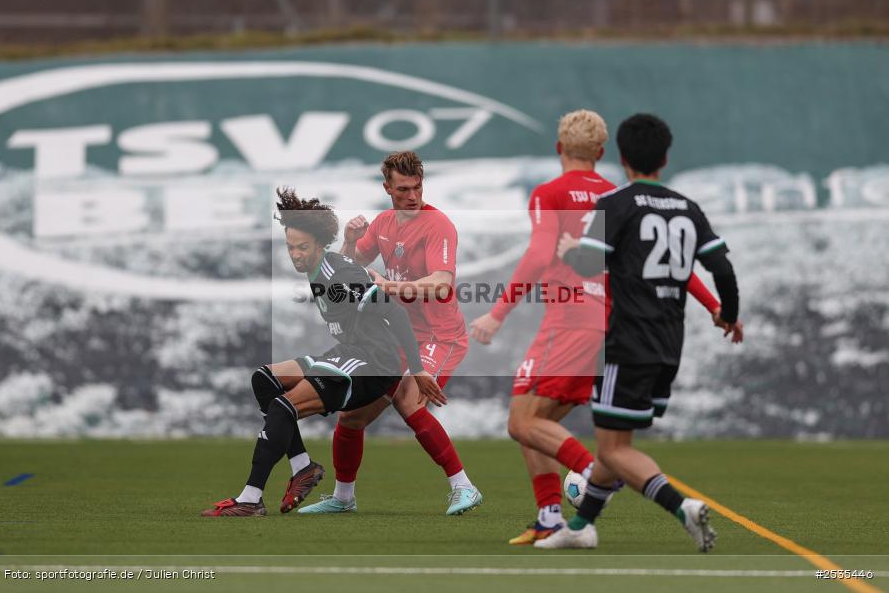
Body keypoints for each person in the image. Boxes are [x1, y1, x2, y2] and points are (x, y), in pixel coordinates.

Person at [469, 110, 733, 545]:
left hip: (569, 319)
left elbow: (538, 256)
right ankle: (551, 516)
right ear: (601, 152)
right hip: (607, 328)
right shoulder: (619, 196)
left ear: (558, 149)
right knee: (536, 421)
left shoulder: (549, 193)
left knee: (521, 422)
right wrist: (714, 305)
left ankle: (596, 477)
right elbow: (675, 268)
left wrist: (497, 313)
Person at [539, 113, 741, 551]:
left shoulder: (615, 203)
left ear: (621, 157)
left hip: (627, 341)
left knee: (613, 451)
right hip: (670, 344)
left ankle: (681, 507)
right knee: (616, 441)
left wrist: (573, 250)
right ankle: (580, 527)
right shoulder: (688, 207)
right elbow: (721, 266)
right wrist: (728, 312)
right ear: (665, 158)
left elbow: (590, 265)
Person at [201, 188, 443, 517]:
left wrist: (417, 369)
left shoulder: (336, 275)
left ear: (318, 245)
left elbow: (395, 312)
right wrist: (348, 244)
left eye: (302, 247)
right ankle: (302, 467)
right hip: (348, 353)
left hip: (372, 363)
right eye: (290, 248)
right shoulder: (321, 267)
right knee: (265, 380)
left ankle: (250, 499)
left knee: (285, 407)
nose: (295, 255)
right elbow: (344, 267)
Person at [298, 151, 482, 516]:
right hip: (397, 335)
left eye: (417, 187)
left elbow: (441, 284)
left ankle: (464, 487)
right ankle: (343, 498)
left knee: (407, 401)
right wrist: (350, 240)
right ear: (387, 188)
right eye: (403, 189)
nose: (412, 196)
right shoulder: (383, 223)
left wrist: (390, 288)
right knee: (353, 414)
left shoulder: (438, 225)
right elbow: (349, 269)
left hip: (439, 336)